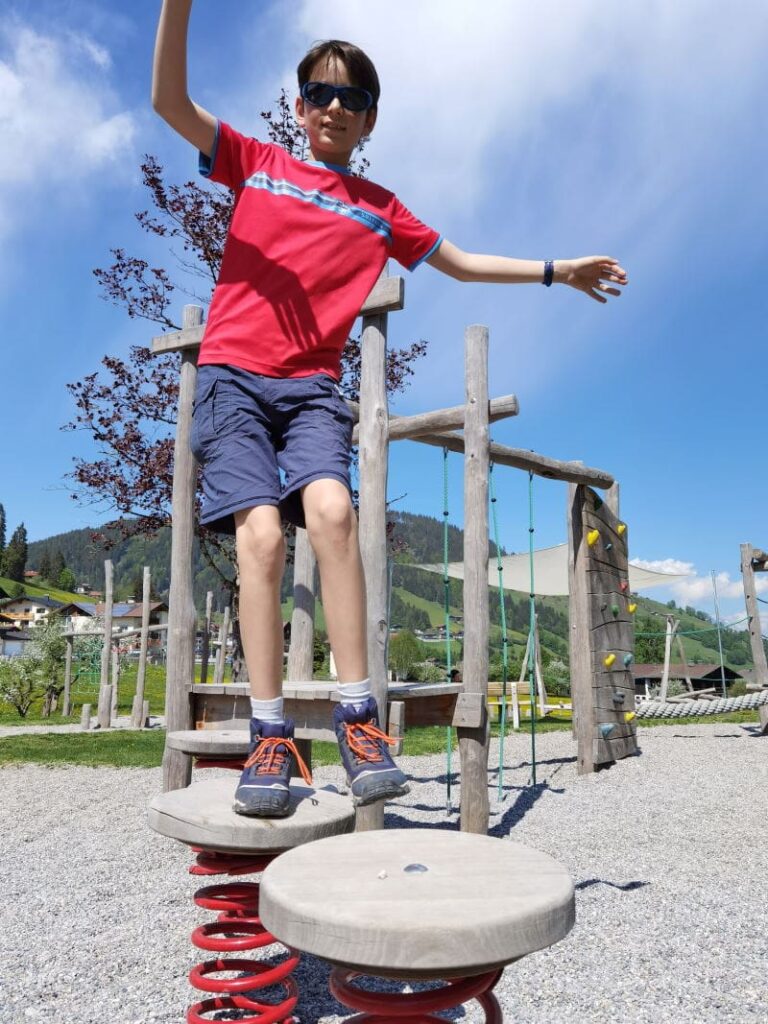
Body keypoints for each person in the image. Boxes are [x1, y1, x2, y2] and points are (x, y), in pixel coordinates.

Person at [152, 0, 628, 818]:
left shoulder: (380, 207)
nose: (335, 107)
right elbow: (168, 102)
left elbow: (466, 263)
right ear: (300, 106)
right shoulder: (257, 163)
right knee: (261, 534)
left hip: (309, 391)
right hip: (233, 378)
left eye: (354, 98)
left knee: (333, 513)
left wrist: (558, 269)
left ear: (370, 120)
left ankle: (358, 719)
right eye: (321, 92)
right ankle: (272, 735)